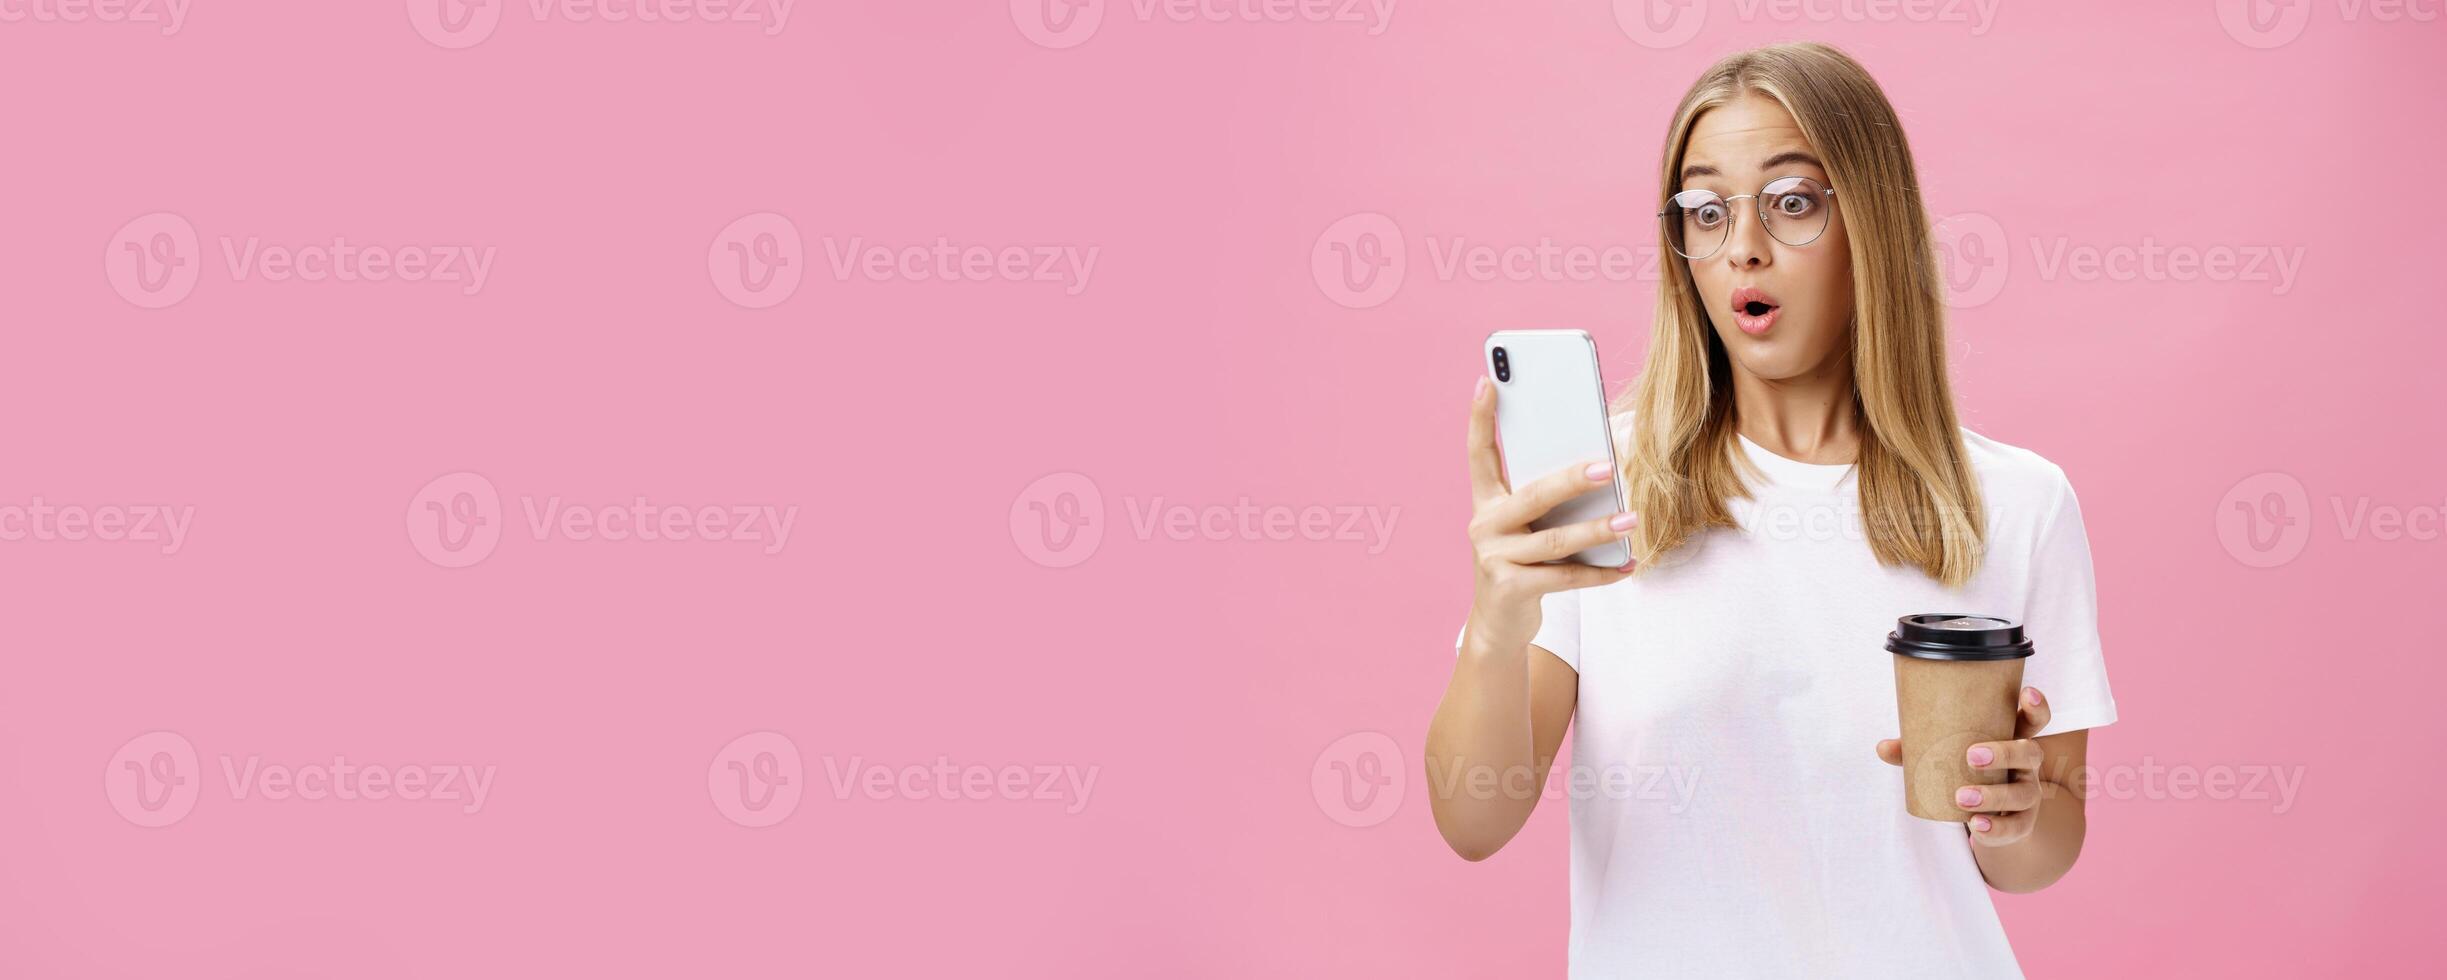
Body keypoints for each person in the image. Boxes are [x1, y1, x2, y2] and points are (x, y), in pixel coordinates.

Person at [1428, 42, 2117, 978]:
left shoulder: (2016, 501)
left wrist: (2014, 811)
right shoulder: (1606, 488)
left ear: (1871, 221)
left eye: (1791, 201)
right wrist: (1492, 627)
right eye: (1706, 211)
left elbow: (2042, 853)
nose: (1741, 244)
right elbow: (1474, 821)